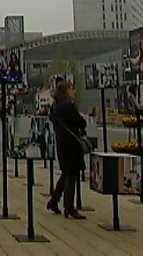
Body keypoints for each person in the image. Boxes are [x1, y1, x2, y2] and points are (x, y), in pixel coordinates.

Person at [47, 80, 87, 219]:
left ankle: (54, 201)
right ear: (65, 90)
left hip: (61, 144)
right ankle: (69, 206)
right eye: (71, 88)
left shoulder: (54, 106)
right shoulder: (67, 106)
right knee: (72, 174)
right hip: (71, 144)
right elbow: (81, 122)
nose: (74, 91)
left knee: (66, 173)